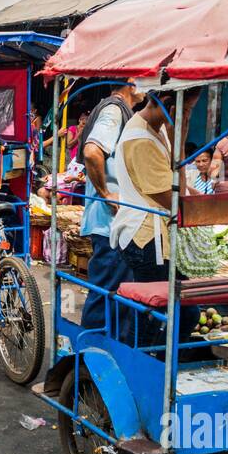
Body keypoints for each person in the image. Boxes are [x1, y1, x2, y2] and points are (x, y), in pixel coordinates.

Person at [110, 88, 201, 348]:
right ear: (169, 105)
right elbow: (174, 201)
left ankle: (150, 363)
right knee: (164, 314)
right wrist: (180, 145)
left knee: (170, 312)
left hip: (156, 236)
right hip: (146, 239)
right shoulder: (142, 140)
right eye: (187, 110)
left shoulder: (156, 128)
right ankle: (144, 367)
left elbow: (179, 189)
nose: (187, 118)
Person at [77, 81, 145, 343]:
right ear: (131, 83)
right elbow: (92, 152)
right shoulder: (114, 110)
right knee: (106, 292)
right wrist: (106, 193)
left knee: (117, 295)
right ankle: (91, 354)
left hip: (117, 224)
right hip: (110, 224)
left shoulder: (122, 112)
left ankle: (110, 350)